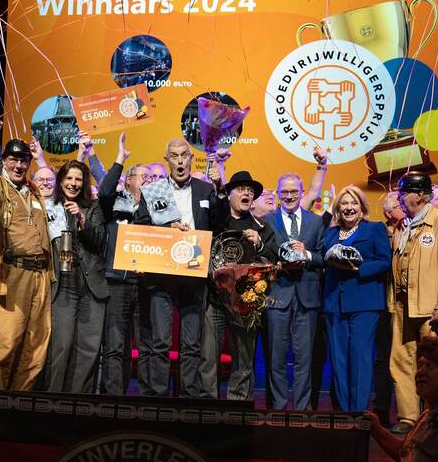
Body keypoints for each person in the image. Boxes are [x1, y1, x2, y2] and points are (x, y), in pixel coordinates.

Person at [0, 127, 55, 391]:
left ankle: (18, 404)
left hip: (39, 276)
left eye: (23, 160)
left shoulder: (33, 190)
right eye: (13, 160)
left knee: (35, 347)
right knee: (5, 344)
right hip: (10, 273)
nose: (19, 165)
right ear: (4, 161)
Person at [135, 138, 221, 397]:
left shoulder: (206, 190)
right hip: (162, 274)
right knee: (160, 342)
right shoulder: (155, 190)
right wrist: (166, 229)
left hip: (195, 273)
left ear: (191, 159)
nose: (180, 160)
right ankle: (159, 399)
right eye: (174, 156)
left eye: (184, 155)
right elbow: (140, 226)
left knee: (191, 343)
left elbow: (219, 223)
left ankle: (189, 398)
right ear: (167, 160)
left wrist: (220, 189)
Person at [389, 171, 438, 435]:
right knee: (401, 361)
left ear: (420, 195)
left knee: (433, 363)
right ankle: (408, 417)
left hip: (431, 308)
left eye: (403, 193)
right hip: (400, 305)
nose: (399, 198)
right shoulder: (402, 225)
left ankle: (436, 414)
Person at [200, 170, 279, 401]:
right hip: (215, 300)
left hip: (246, 302)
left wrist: (261, 245)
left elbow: (274, 260)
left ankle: (238, 407)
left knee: (243, 360)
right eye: (241, 189)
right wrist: (217, 183)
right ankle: (207, 405)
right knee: (209, 357)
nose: (247, 193)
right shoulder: (216, 221)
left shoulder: (261, 227)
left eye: (250, 191)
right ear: (230, 194)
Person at [322, 185, 391, 412]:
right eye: (344, 204)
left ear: (362, 208)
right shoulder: (330, 234)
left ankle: (358, 413)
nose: (349, 208)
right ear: (338, 209)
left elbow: (384, 261)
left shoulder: (374, 229)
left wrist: (357, 268)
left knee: (360, 359)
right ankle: (343, 412)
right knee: (339, 361)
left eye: (354, 203)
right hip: (334, 304)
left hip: (364, 304)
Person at [45, 160, 107, 393]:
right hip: (63, 284)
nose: (73, 183)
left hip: (91, 285)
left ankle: (79, 401)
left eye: (78, 179)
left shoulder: (93, 208)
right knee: (61, 346)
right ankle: (51, 399)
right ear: (60, 181)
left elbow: (99, 241)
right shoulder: (50, 207)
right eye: (69, 178)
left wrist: (82, 218)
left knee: (89, 349)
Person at [266, 173, 324, 410]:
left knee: (304, 358)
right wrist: (279, 265)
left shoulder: (315, 221)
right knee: (276, 357)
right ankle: (278, 407)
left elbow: (323, 256)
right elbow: (261, 257)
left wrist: (307, 254)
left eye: (294, 192)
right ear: (278, 194)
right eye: (284, 192)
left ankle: (302, 409)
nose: (289, 196)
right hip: (277, 294)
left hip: (307, 297)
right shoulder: (267, 220)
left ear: (302, 193)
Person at [98, 134, 149, 395]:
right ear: (128, 180)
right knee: (115, 344)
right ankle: (112, 399)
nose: (149, 181)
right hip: (116, 280)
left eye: (153, 178)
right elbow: (104, 190)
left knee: (141, 346)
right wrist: (120, 158)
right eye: (144, 176)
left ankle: (140, 399)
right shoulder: (115, 202)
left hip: (144, 283)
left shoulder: (156, 209)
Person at [374, 191, 405, 426]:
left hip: (408, 305)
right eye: (399, 205)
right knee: (384, 358)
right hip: (384, 305)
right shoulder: (378, 232)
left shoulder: (414, 229)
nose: (404, 207)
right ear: (388, 212)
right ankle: (382, 408)